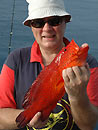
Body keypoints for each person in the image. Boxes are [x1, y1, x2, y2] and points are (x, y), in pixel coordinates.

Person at [0, 0, 98, 129]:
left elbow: (88, 126)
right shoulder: (15, 60)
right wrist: (28, 116)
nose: (46, 28)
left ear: (65, 21)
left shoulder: (88, 65)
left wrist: (77, 94)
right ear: (30, 26)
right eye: (38, 23)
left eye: (54, 21)